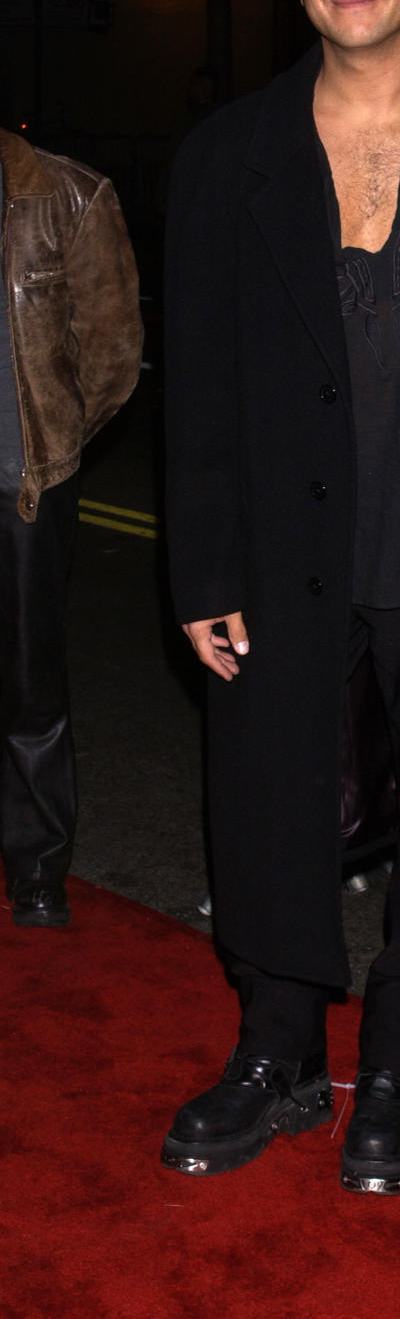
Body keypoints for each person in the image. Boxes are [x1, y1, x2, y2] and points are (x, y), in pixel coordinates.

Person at [161, 0, 400, 1194]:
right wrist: (203, 565)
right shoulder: (227, 154)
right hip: (283, 559)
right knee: (269, 805)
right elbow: (195, 379)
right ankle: (278, 1051)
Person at [0, 127, 141, 926]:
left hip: (22, 483)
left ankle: (38, 869)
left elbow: (114, 354)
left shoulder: (67, 195)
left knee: (29, 687)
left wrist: (47, 446)